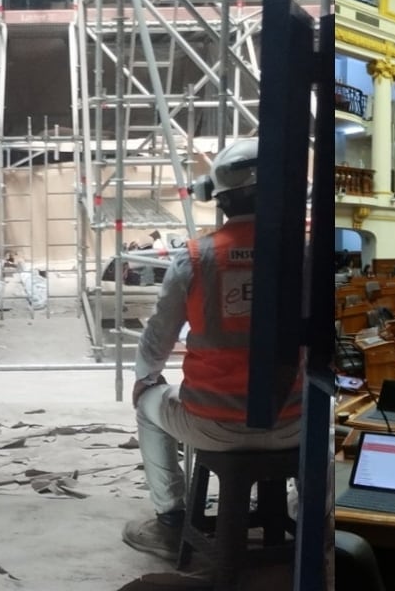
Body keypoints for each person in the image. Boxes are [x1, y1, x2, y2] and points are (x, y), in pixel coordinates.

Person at [123, 138, 302, 561]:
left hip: (213, 424)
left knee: (147, 398)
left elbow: (156, 341)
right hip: (294, 423)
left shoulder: (195, 258)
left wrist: (145, 378)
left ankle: (170, 519)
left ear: (218, 201)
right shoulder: (305, 256)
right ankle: (308, 517)